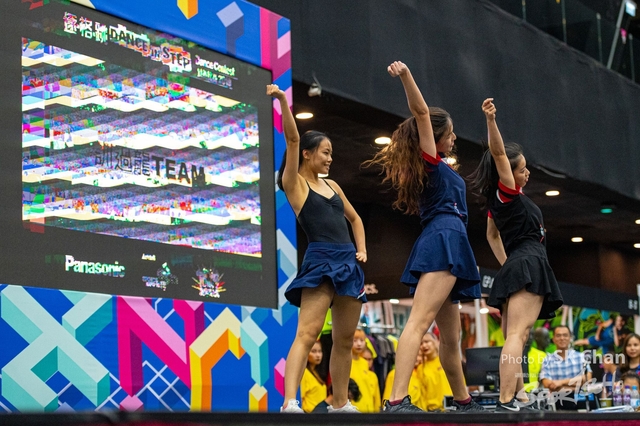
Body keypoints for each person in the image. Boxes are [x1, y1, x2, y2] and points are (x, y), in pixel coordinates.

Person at [364, 61, 483, 413]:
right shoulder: (429, 160)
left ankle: (463, 401)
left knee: (451, 337)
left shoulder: (438, 164)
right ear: (434, 134)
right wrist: (406, 76)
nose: (455, 138)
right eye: (451, 133)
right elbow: (420, 112)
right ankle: (396, 399)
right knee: (418, 322)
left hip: (450, 238)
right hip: (444, 237)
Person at [268, 84, 368, 413]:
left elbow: (355, 219)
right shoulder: (294, 183)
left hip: (347, 263)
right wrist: (282, 100)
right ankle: (289, 402)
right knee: (307, 334)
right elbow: (292, 139)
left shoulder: (333, 185)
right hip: (320, 261)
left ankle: (340, 403)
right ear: (308, 154)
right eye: (325, 152)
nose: (330, 158)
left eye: (331, 154)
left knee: (344, 339)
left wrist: (362, 250)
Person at [468, 98, 563, 412]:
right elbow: (498, 153)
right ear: (507, 172)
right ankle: (506, 399)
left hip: (517, 264)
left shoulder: (499, 201)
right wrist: (491, 120)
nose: (527, 173)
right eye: (522, 169)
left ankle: (519, 396)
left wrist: (508, 264)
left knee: (516, 336)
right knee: (518, 335)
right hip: (528, 261)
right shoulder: (507, 191)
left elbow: (491, 236)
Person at [539, 325, 592, 411]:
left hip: (580, 405)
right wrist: (576, 386)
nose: (562, 338)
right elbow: (547, 384)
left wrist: (560, 383)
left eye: (565, 335)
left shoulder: (580, 357)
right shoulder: (547, 360)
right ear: (553, 339)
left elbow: (587, 379)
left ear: (570, 338)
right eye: (558, 335)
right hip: (557, 407)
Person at [418, 332, 453, 411]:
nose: (424, 345)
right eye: (421, 343)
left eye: (427, 341)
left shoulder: (447, 362)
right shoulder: (421, 368)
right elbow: (422, 394)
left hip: (451, 409)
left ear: (436, 341)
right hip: (432, 411)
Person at [350, 330, 381, 412]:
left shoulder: (364, 363)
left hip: (369, 410)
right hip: (352, 410)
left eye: (362, 340)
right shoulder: (346, 363)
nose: (359, 344)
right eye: (355, 340)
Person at [301, 341, 327, 412]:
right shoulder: (304, 373)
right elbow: (300, 398)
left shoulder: (316, 373)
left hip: (320, 414)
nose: (318, 355)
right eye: (313, 351)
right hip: (309, 415)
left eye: (319, 351)